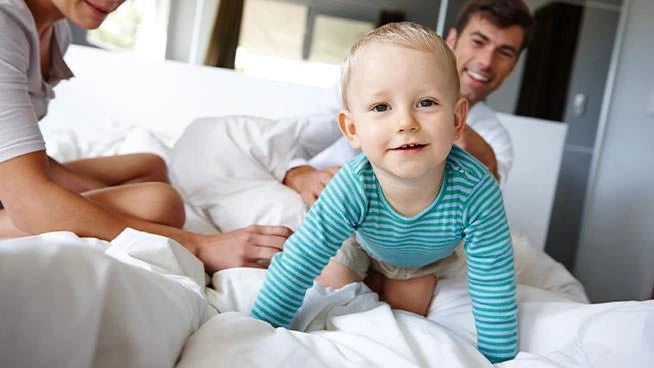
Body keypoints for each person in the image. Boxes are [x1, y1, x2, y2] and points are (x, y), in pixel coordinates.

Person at [251, 22, 518, 363]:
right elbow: (299, 261)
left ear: (456, 120)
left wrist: (501, 360)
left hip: (420, 261)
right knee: (334, 287)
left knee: (403, 321)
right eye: (381, 108)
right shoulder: (353, 184)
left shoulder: (477, 191)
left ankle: (383, 280)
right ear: (352, 129)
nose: (405, 122)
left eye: (425, 102)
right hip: (359, 240)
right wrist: (258, 329)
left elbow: (493, 284)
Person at [0, 0, 291, 273]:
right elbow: (29, 203)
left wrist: (82, 194)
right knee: (159, 202)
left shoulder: (53, 29)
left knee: (150, 166)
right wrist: (197, 246)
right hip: (18, 200)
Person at [283, 0, 534, 207]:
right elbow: (289, 146)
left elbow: (481, 210)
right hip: (323, 206)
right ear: (452, 39)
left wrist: (485, 160)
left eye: (505, 52)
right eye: (478, 42)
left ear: (458, 119)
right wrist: (299, 175)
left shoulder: (493, 140)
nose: (487, 61)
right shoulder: (365, 86)